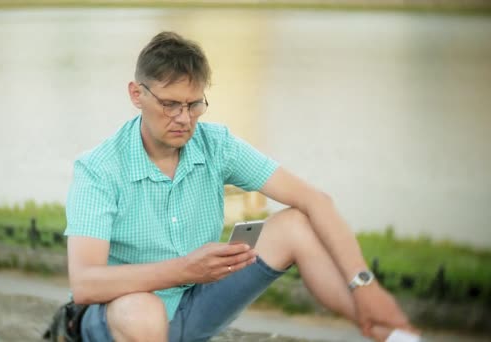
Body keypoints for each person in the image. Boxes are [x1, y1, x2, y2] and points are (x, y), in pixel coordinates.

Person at [64, 31, 416, 342]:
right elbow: (85, 283)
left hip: (197, 303)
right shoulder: (99, 169)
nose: (184, 119)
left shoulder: (216, 145)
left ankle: (384, 329)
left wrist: (365, 286)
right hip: (120, 321)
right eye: (170, 104)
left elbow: (315, 200)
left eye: (194, 104)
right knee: (143, 313)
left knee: (294, 224)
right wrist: (184, 269)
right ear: (136, 94)